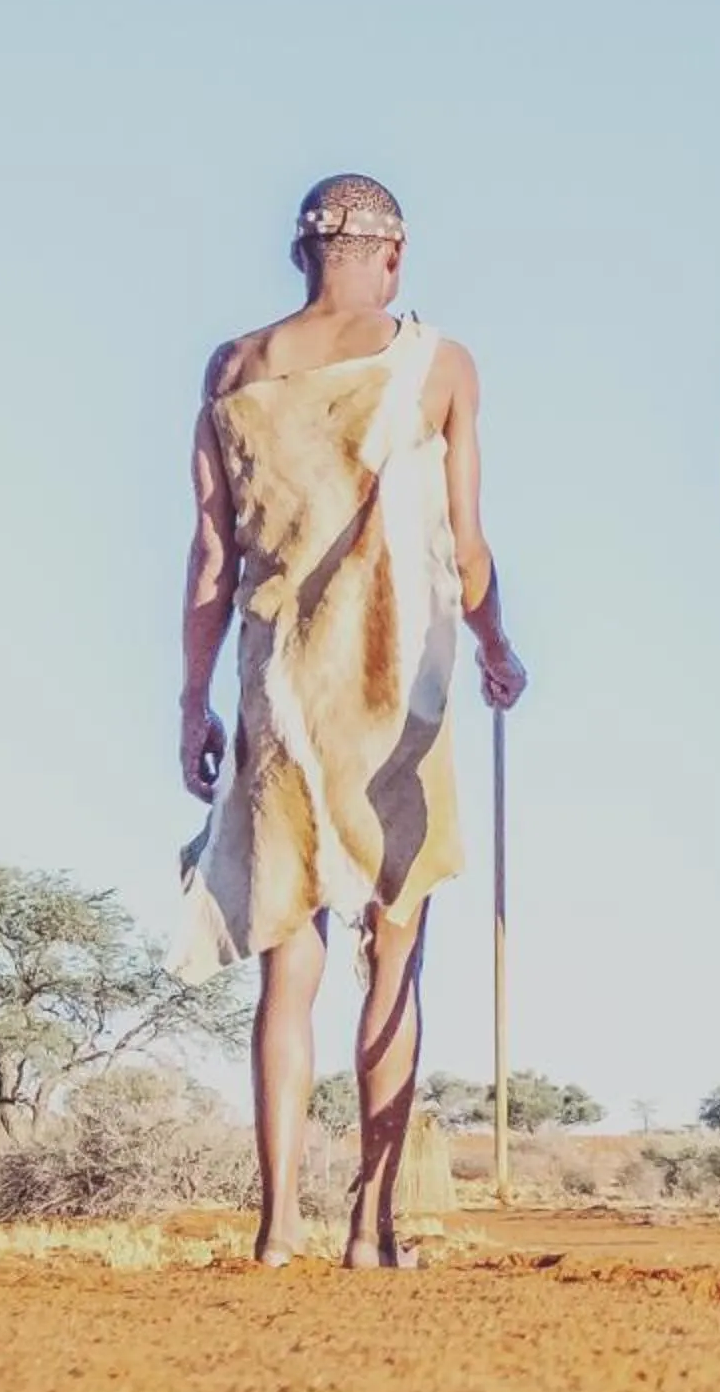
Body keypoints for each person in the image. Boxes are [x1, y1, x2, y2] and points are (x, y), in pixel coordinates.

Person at [174, 174, 527, 1268]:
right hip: (395, 681)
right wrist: (499, 646)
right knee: (397, 945)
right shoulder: (437, 366)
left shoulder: (235, 369)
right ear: (395, 252)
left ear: (300, 255)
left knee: (292, 959)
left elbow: (212, 559)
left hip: (277, 678)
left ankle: (278, 1230)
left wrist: (191, 700)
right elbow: (466, 543)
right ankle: (372, 1230)